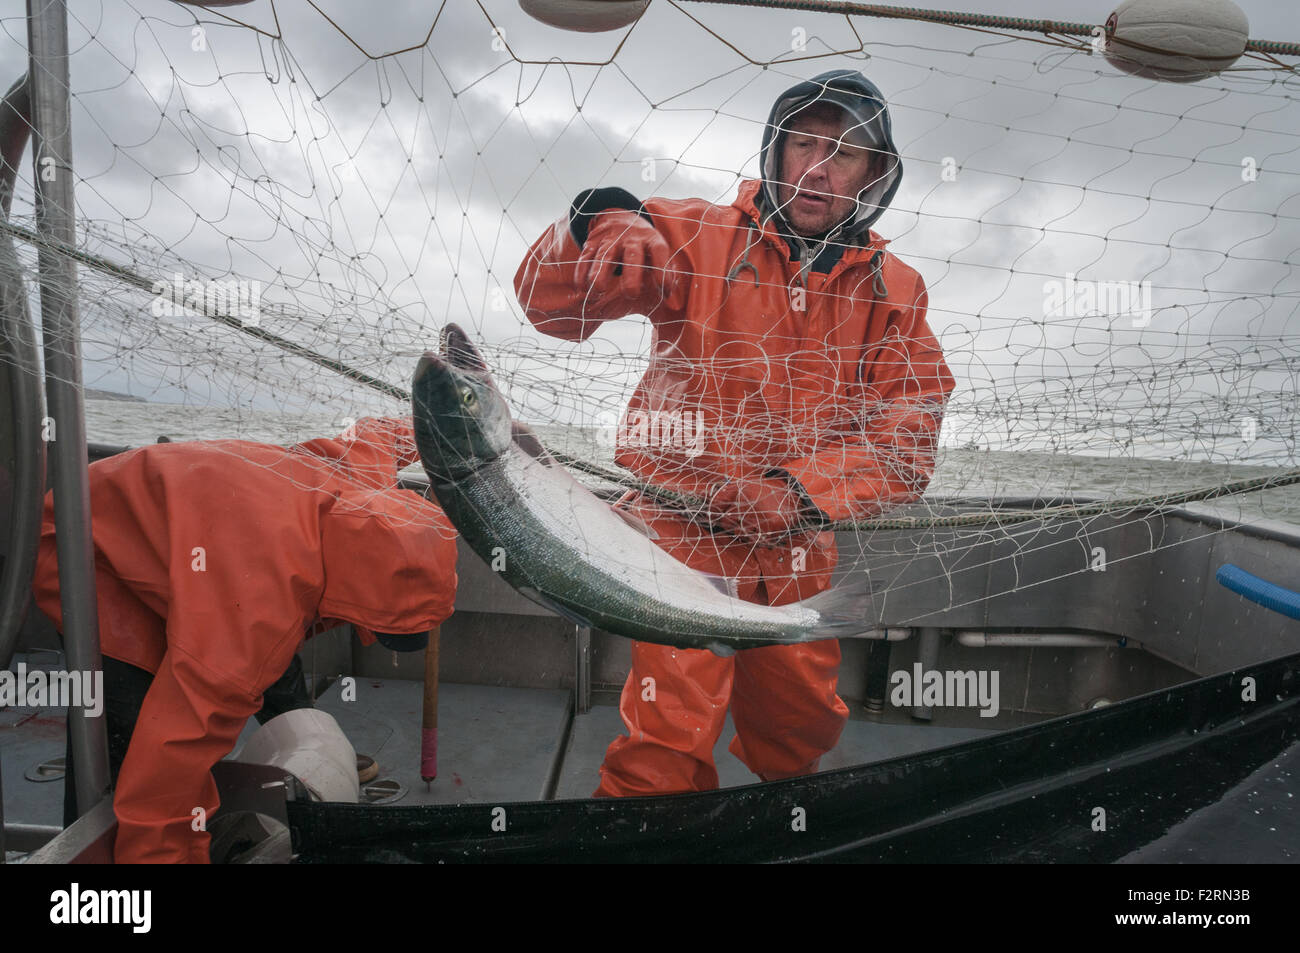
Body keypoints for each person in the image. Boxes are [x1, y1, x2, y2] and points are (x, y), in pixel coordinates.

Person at [514, 70, 957, 796]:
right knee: (664, 744)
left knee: (798, 729)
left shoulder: (896, 292)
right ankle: (639, 839)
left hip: (794, 547)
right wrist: (597, 219)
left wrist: (799, 494)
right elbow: (546, 306)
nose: (818, 166)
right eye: (804, 144)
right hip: (674, 543)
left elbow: (908, 434)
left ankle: (786, 822)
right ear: (775, 151)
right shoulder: (695, 236)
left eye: (844, 152)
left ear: (874, 175)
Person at [33, 416, 459, 862]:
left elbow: (381, 432)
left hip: (186, 534)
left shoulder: (364, 484)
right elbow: (172, 760)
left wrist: (474, 435)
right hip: (84, 543)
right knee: (134, 735)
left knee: (261, 647)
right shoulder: (252, 618)